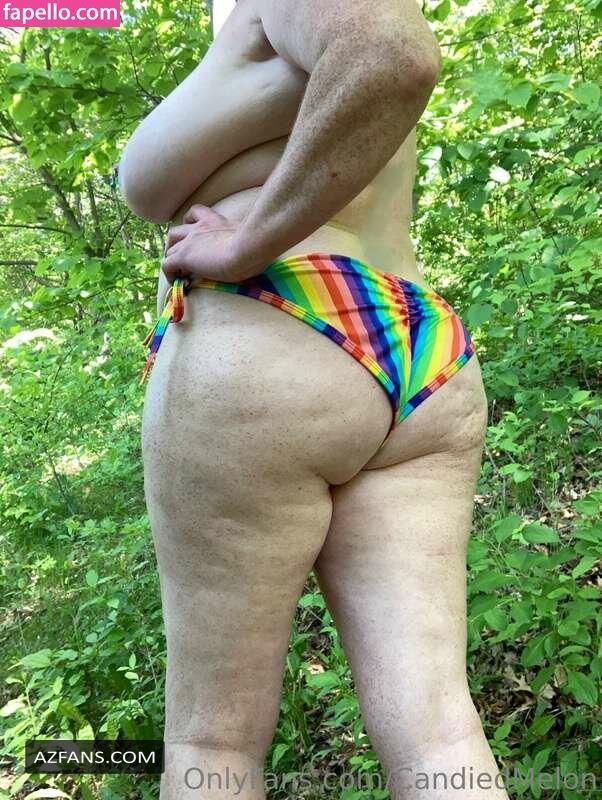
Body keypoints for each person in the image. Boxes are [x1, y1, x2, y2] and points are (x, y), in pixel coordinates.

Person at [119, 1, 509, 798]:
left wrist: (244, 242)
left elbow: (393, 54)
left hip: (271, 326)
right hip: (417, 345)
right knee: (439, 732)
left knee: (213, 740)